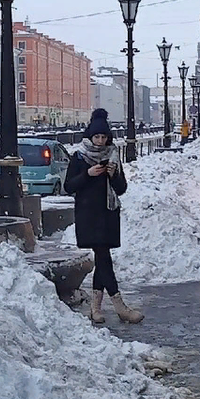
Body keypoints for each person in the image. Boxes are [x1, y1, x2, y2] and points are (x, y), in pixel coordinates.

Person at [65, 108, 143, 325]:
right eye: (97, 137)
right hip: (88, 215)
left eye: (104, 137)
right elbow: (69, 186)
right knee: (103, 257)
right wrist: (87, 174)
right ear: (90, 137)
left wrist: (113, 174)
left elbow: (121, 188)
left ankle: (96, 308)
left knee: (103, 258)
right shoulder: (79, 157)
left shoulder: (113, 157)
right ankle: (120, 307)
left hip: (108, 214)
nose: (100, 141)